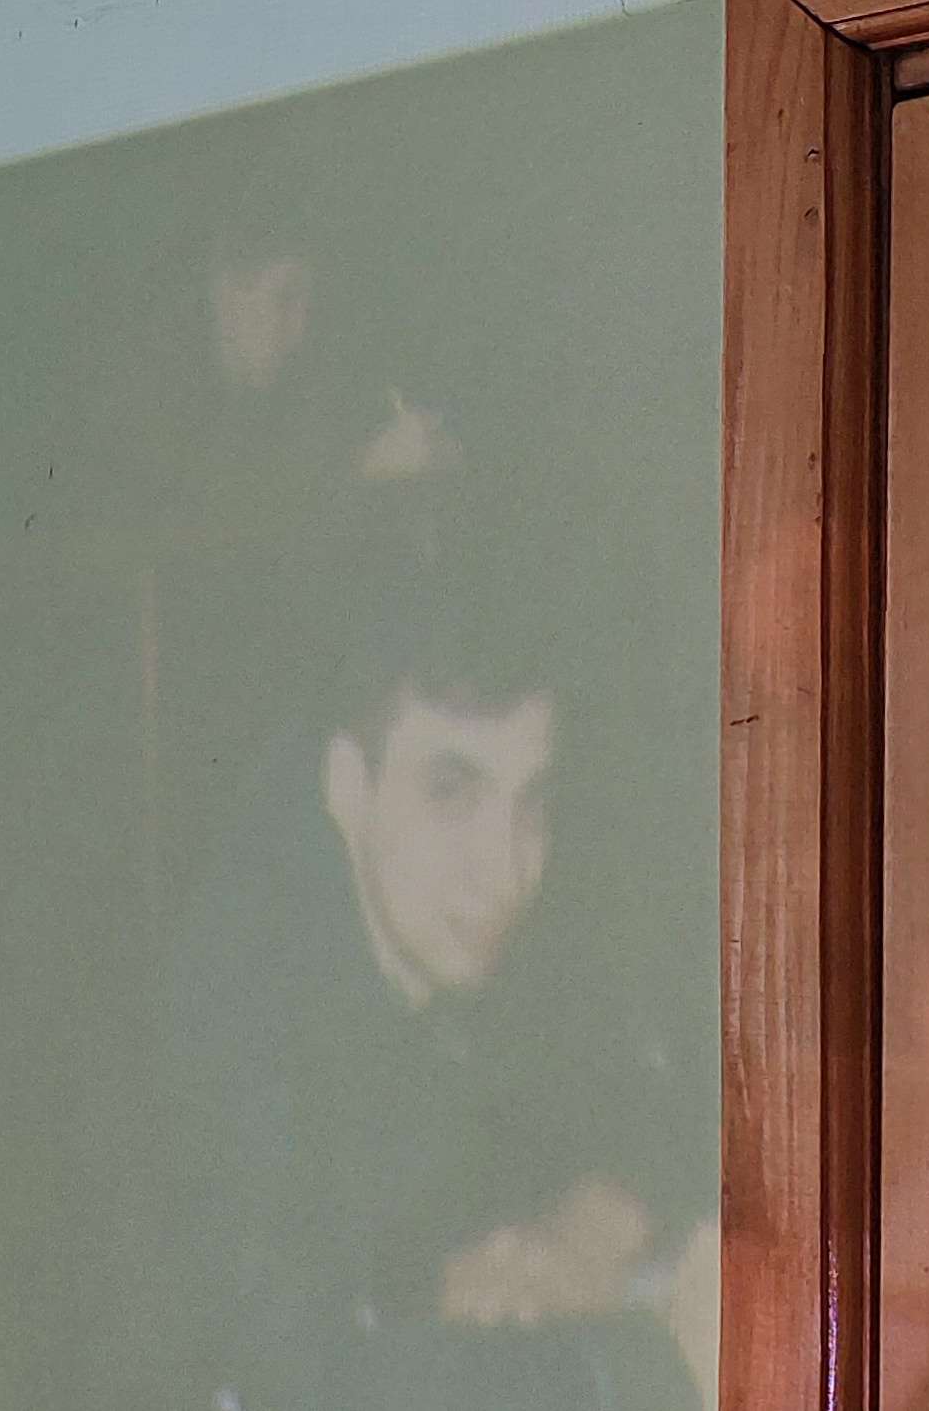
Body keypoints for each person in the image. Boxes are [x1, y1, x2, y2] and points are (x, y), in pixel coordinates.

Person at [118, 526, 716, 1411]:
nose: (508, 870)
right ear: (346, 786)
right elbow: (301, 1382)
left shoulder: (465, 927)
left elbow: (652, 1091)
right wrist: (666, 1364)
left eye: (532, 803)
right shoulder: (222, 1025)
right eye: (451, 792)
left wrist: (592, 1226)